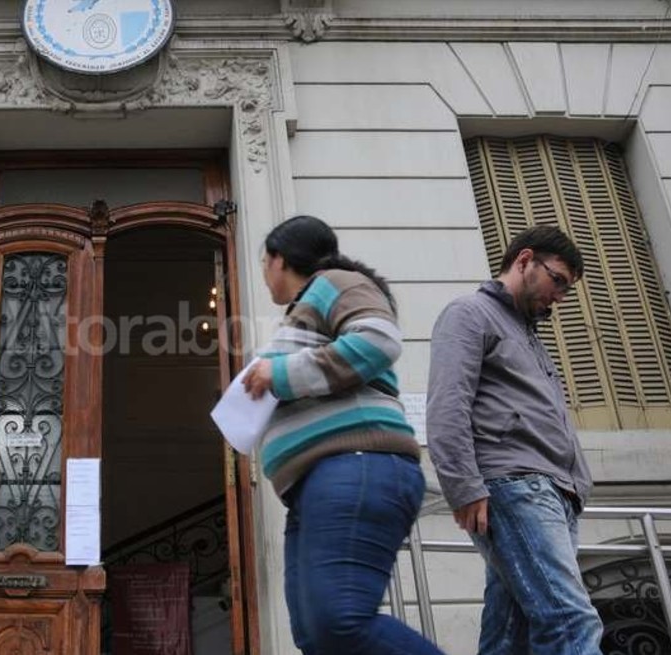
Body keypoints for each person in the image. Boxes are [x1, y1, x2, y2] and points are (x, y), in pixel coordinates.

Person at [242, 215, 443, 655]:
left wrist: (277, 373)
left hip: (355, 464)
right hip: (315, 485)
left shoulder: (334, 282)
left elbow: (378, 341)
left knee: (339, 624)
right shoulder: (303, 311)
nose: (263, 274)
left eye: (263, 262)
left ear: (278, 259)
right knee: (316, 637)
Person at [426, 224, 604, 655]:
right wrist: (463, 487)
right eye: (557, 280)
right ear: (524, 260)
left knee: (511, 634)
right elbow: (447, 406)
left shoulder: (529, 334)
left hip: (556, 493)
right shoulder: (468, 313)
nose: (559, 296)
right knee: (571, 622)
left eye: (567, 289)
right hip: (516, 486)